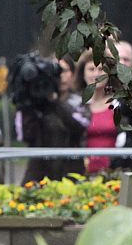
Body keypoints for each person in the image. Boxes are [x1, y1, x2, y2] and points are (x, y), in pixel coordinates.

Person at [10, 53, 85, 183]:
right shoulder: (38, 105)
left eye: (64, 70)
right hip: (38, 174)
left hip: (70, 173)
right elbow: (24, 136)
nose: (60, 76)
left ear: (73, 73)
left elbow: (79, 128)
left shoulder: (79, 101)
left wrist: (55, 101)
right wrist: (26, 102)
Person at [75, 50, 116, 174]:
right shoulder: (75, 106)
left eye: (101, 69)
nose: (96, 74)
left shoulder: (119, 104)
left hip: (114, 172)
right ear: (82, 74)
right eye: (91, 69)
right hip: (82, 174)